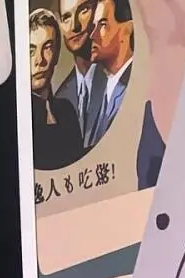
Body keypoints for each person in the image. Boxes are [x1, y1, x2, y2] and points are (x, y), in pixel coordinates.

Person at [30, 10, 83, 172]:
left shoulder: (67, 110)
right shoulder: (18, 117)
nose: (40, 60)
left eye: (47, 48)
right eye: (31, 51)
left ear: (57, 54)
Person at [54, 1, 105, 150]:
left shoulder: (115, 80)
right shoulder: (61, 98)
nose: (74, 26)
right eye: (66, 17)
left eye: (83, 10)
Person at [88, 0, 134, 148]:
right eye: (93, 26)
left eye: (102, 25)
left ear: (126, 30)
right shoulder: (100, 91)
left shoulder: (134, 87)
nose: (92, 35)